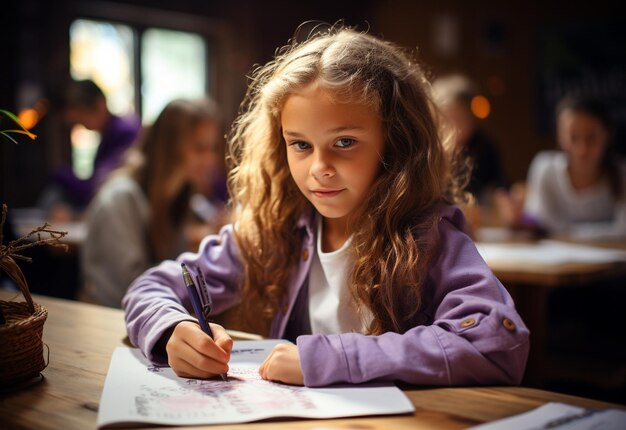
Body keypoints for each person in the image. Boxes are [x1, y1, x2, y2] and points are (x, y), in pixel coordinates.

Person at [123, 26, 529, 387]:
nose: (319, 169)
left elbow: (497, 341)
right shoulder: (274, 229)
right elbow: (151, 287)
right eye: (300, 144)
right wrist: (172, 328)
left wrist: (332, 358)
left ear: (396, 142)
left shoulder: (429, 236)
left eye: (345, 142)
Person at [80, 98, 228, 308]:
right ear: (169, 147)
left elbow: (174, 268)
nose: (210, 159)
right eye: (199, 148)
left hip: (152, 316)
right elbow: (132, 287)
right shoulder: (120, 197)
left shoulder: (180, 194)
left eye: (212, 148)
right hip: (112, 322)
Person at [497, 96, 626, 240]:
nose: (582, 149)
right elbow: (539, 220)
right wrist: (519, 220)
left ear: (607, 135)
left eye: (591, 137)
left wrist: (566, 233)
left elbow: (623, 229)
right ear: (560, 137)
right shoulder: (545, 168)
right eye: (573, 137)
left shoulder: (621, 173)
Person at [39, 79, 141, 221]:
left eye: (81, 118)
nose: (83, 125)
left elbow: (100, 186)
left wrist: (60, 173)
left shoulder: (125, 132)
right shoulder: (110, 133)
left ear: (99, 104)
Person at [432, 74, 507, 204]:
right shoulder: (430, 150)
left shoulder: (485, 146)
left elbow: (498, 182)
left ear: (473, 120)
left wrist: (502, 196)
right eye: (447, 119)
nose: (455, 127)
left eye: (461, 119)